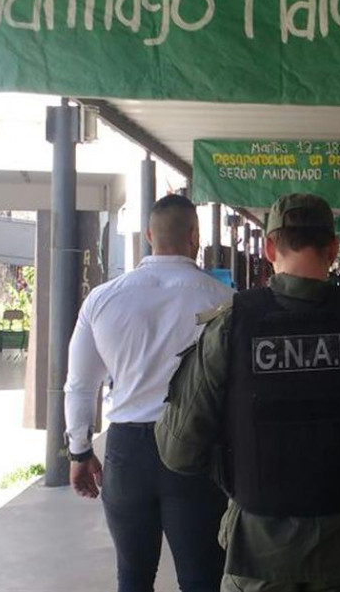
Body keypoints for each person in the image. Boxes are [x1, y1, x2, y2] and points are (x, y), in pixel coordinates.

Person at [156, 193, 340, 592]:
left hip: (258, 553)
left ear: (270, 247)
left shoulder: (230, 328)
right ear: (333, 248)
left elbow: (178, 452)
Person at [64, 194, 234, 592]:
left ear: (149, 236)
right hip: (196, 450)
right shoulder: (224, 301)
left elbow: (80, 384)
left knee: (133, 576)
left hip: (127, 451)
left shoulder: (102, 299)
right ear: (195, 237)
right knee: (202, 578)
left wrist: (79, 452)